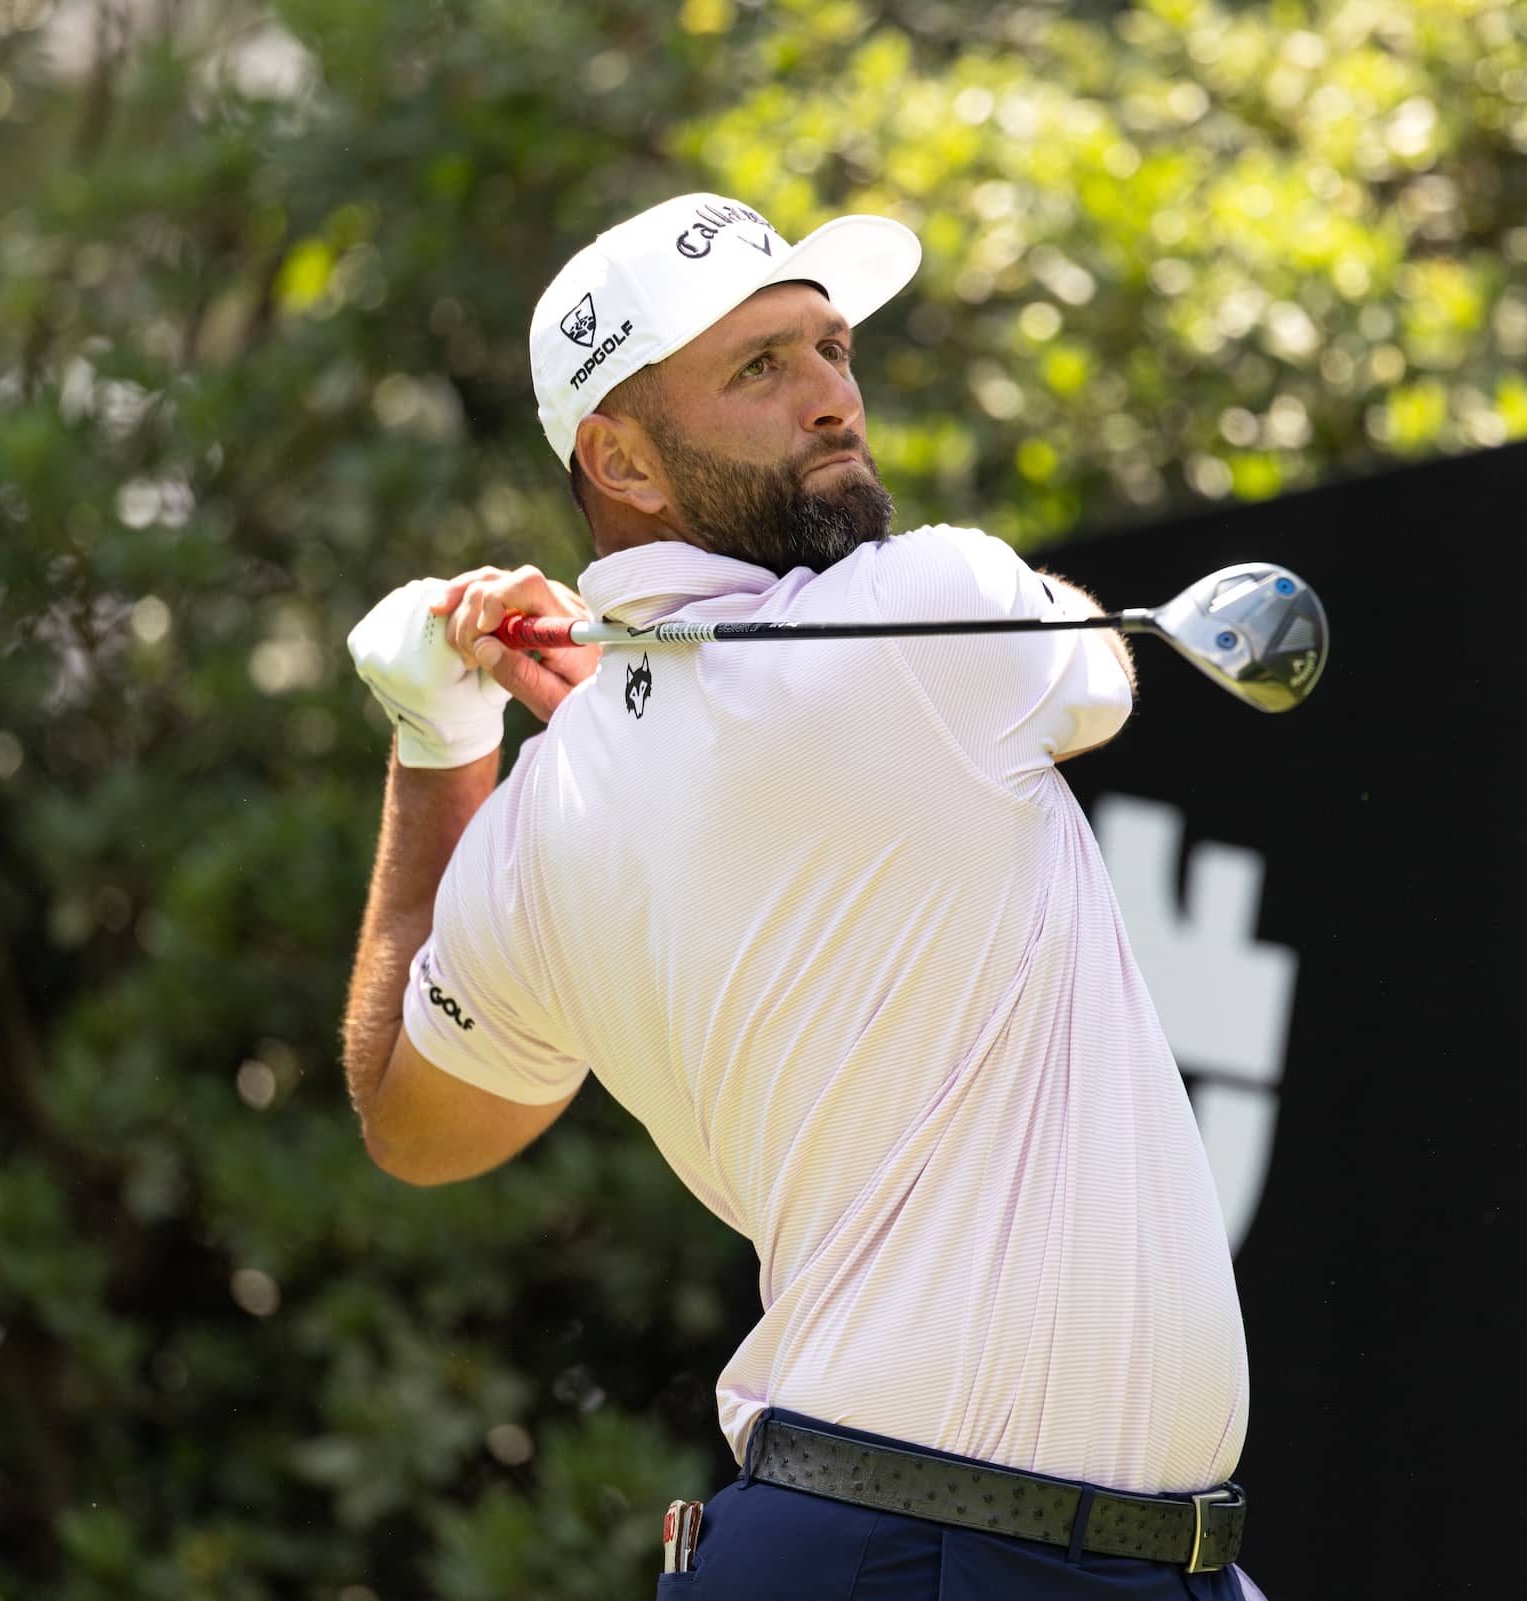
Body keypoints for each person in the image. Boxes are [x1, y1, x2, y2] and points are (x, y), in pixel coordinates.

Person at [340, 193, 1263, 1599]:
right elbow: (1104, 671)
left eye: (831, 347)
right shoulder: (925, 614)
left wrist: (439, 744)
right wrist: (677, 710)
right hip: (903, 1556)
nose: (832, 397)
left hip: (1105, 1563)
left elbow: (412, 1112)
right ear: (621, 457)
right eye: (759, 369)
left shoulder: (550, 813)